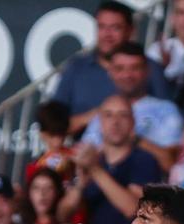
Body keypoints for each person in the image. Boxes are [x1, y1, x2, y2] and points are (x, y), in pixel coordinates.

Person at [59, 95, 163, 224]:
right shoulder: (90, 161)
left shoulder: (144, 160)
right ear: (100, 123)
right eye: (108, 115)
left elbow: (132, 207)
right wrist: (80, 185)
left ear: (132, 123)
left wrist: (95, 170)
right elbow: (62, 215)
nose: (115, 122)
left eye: (122, 115)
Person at [51, 1, 171, 130]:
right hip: (81, 142)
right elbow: (52, 127)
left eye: (115, 28)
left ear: (131, 31)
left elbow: (167, 121)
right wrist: (95, 116)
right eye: (102, 27)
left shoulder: (151, 68)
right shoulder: (76, 67)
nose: (107, 35)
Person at [82, 42, 184, 172]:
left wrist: (133, 139)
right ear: (110, 72)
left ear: (147, 71)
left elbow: (171, 164)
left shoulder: (166, 110)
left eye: (135, 68)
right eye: (119, 69)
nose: (127, 75)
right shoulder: (104, 110)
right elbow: (84, 153)